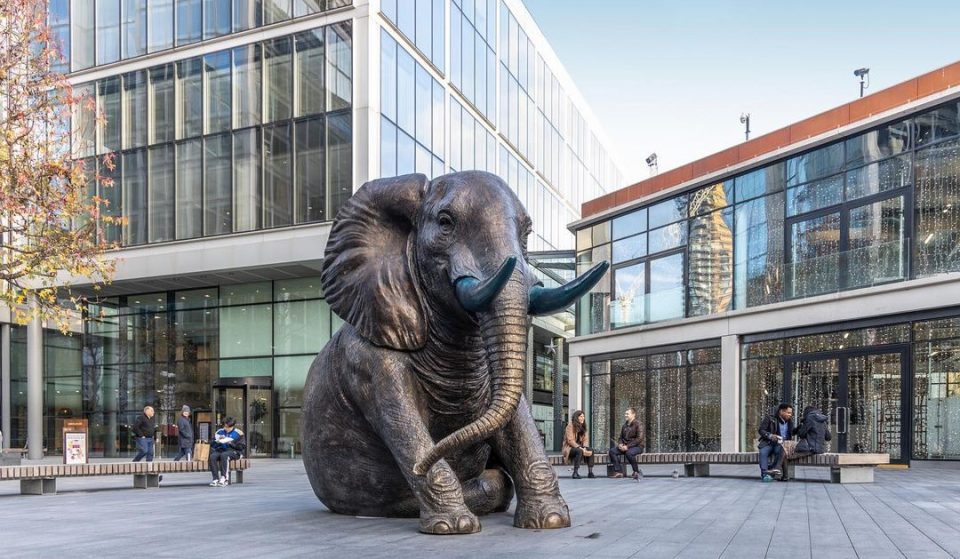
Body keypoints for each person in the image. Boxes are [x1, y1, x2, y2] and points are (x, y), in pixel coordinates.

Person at [757, 403, 795, 482]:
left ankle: (771, 473)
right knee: (763, 453)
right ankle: (764, 474)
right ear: (781, 411)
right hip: (768, 442)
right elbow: (761, 430)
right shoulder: (770, 418)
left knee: (781, 453)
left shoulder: (790, 421)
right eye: (788, 412)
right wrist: (770, 436)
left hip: (781, 444)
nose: (790, 415)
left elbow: (792, 432)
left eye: (791, 413)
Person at [608, 407, 644, 479]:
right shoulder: (624, 425)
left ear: (633, 414)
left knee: (629, 453)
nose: (625, 415)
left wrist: (627, 446)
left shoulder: (639, 424)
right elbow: (620, 437)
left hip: (637, 446)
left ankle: (636, 471)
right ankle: (619, 472)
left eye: (627, 414)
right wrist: (620, 444)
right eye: (625, 413)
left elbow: (639, 438)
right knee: (612, 451)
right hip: (625, 446)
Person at [209, 417, 246, 487]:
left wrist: (231, 443)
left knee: (224, 455)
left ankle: (224, 478)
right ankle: (215, 479)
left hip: (235, 451)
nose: (226, 428)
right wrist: (217, 441)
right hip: (221, 449)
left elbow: (242, 447)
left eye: (228, 427)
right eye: (224, 426)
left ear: (232, 426)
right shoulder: (219, 432)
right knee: (212, 456)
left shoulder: (239, 433)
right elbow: (212, 444)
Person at [562, 410, 595, 479]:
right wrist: (579, 447)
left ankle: (590, 472)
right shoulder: (570, 426)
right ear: (576, 417)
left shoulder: (583, 426)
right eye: (581, 416)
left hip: (580, 447)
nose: (583, 418)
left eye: (583, 416)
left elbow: (586, 439)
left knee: (591, 450)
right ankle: (575, 473)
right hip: (570, 448)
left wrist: (585, 447)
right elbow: (570, 440)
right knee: (579, 451)